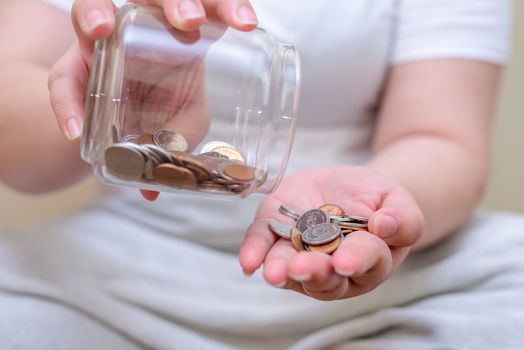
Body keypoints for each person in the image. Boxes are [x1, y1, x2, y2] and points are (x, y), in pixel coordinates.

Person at [1, 0, 523, 349]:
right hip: (122, 268)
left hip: (398, 278)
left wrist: (374, 209)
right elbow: (17, 146)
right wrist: (103, 106)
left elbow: (439, 138)